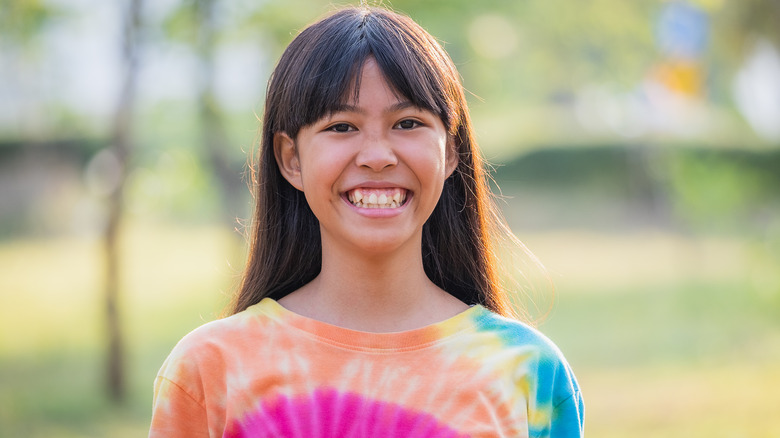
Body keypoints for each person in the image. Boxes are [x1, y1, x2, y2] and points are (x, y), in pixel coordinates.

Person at [149, 5, 584, 437]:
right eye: (341, 127)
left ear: (450, 151)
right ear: (290, 159)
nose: (377, 156)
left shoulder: (530, 374)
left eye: (408, 123)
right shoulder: (210, 370)